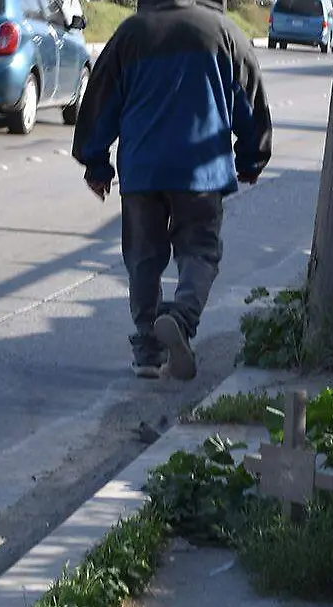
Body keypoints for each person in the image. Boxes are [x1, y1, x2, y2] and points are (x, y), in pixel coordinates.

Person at [72, 0, 272, 381]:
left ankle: (148, 351)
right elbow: (250, 98)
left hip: (143, 169)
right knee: (200, 250)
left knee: (143, 257)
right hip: (201, 171)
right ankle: (180, 316)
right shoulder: (223, 32)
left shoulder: (131, 33)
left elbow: (100, 102)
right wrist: (252, 158)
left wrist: (95, 163)